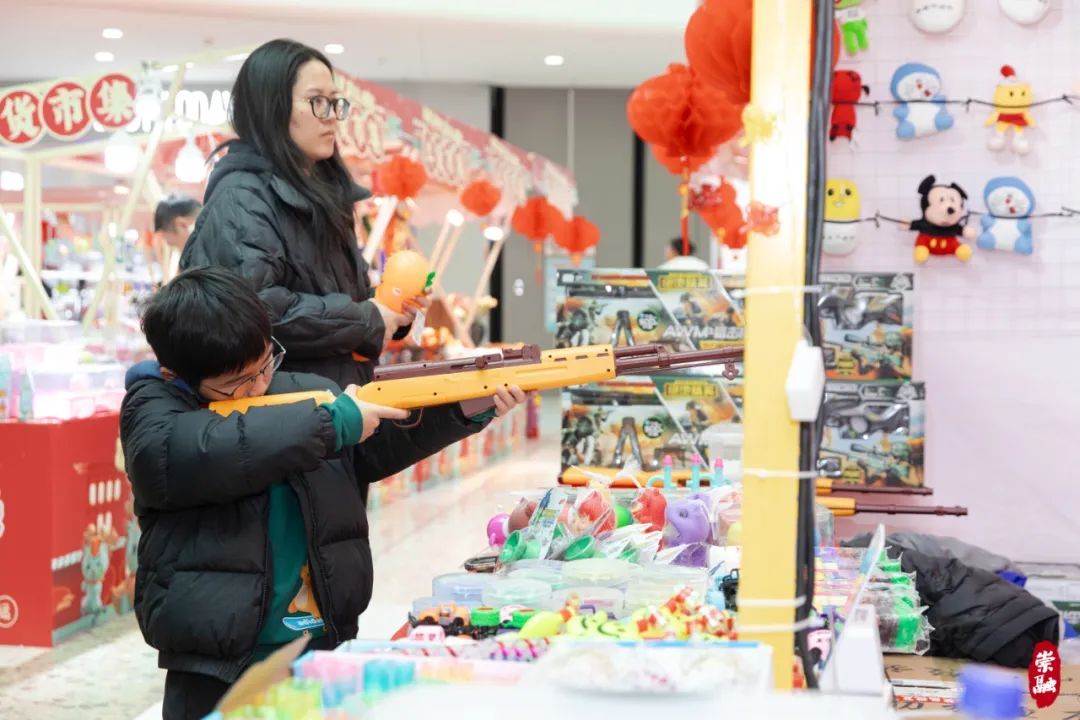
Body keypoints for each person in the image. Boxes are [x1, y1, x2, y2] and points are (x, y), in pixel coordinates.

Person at [121, 267, 525, 720]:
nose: (260, 385)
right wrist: (332, 422)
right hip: (218, 663)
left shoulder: (307, 392)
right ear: (174, 374)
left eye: (265, 364)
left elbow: (372, 447)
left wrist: (465, 407)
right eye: (240, 383)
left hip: (320, 639)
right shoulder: (153, 411)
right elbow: (195, 452)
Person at [181, 39, 413, 389]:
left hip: (332, 402)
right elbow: (256, 310)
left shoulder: (325, 194)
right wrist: (365, 319)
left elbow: (343, 299)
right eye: (316, 101)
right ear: (270, 107)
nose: (331, 116)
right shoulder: (241, 197)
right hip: (282, 408)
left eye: (335, 102)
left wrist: (392, 310)